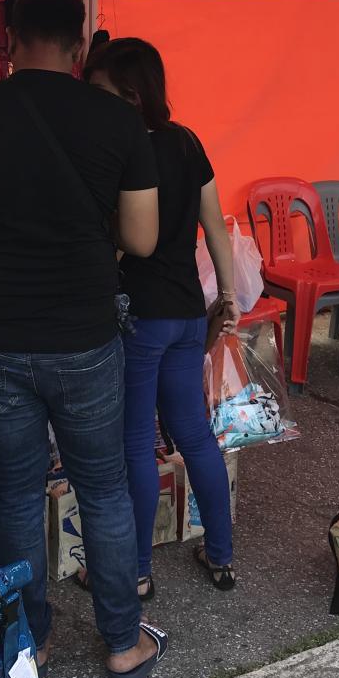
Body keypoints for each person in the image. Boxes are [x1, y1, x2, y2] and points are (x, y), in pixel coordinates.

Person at [0, 0, 168, 678]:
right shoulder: (117, 119)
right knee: (105, 490)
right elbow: (142, 239)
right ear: (81, 45)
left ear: (10, 38)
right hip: (85, 332)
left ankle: (32, 640)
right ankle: (120, 641)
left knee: (18, 493)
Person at [84, 37, 239, 596]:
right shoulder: (187, 142)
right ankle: (221, 556)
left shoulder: (119, 149)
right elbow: (216, 228)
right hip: (186, 314)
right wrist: (226, 294)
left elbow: (124, 245)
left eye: (99, 90)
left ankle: (138, 570)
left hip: (140, 317)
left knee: (136, 442)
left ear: (128, 93)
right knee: (195, 434)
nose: (91, 100)